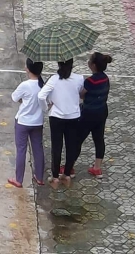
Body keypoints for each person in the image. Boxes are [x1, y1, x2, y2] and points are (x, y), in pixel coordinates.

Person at [39, 58, 85, 189]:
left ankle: (55, 177)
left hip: (56, 117)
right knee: (71, 146)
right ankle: (66, 175)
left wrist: (46, 107)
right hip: (73, 116)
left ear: (58, 64)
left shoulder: (53, 79)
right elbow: (80, 93)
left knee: (56, 147)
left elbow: (41, 96)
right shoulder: (79, 78)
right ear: (72, 64)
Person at [8, 59, 46, 188]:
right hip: (37, 122)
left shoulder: (25, 85)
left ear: (28, 69)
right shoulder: (43, 85)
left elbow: (14, 97)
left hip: (23, 122)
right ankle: (40, 177)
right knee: (38, 149)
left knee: (21, 150)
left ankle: (19, 179)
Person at [74, 52, 112, 178]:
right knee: (99, 139)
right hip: (102, 112)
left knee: (77, 139)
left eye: (90, 60)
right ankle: (97, 168)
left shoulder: (90, 81)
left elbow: (81, 94)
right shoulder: (106, 78)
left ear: (93, 65)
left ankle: (70, 167)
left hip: (88, 113)